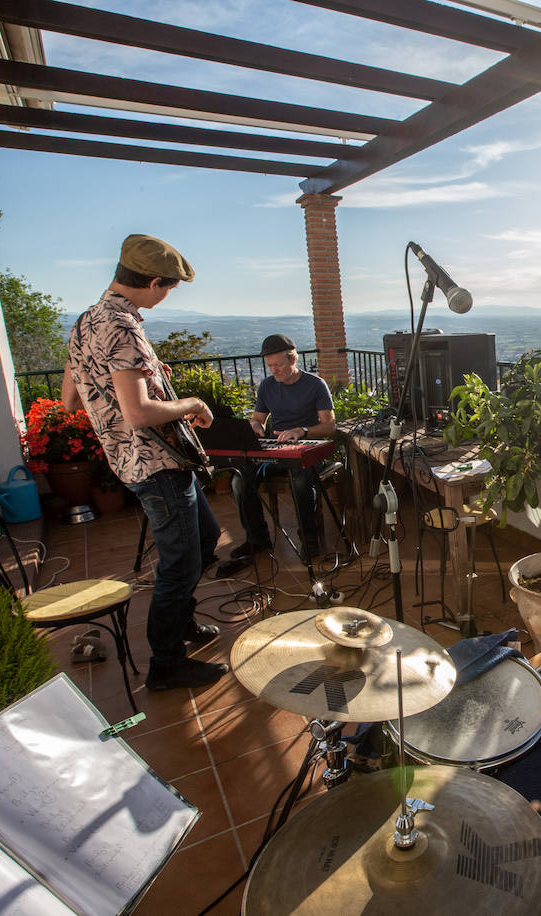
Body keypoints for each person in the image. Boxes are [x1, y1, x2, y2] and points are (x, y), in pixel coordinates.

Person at [62, 233, 227, 691]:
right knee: (179, 563)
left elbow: (72, 402)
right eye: (169, 287)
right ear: (154, 282)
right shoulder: (122, 326)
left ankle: (181, 624)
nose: (169, 295)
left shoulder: (85, 323)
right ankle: (167, 663)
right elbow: (137, 414)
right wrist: (191, 402)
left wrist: (145, 380)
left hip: (133, 462)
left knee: (207, 536)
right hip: (157, 463)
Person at [225, 333, 337, 565]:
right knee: (240, 480)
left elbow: (329, 426)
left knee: (300, 479)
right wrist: (254, 426)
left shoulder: (315, 385)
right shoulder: (267, 386)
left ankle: (309, 539)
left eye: (278, 365)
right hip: (278, 451)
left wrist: (302, 431)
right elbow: (259, 420)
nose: (274, 370)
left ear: (293, 360)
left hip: (308, 450)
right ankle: (257, 539)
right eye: (270, 366)